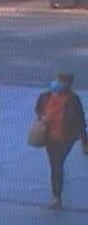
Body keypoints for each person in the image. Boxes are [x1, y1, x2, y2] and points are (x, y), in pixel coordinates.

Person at [35, 72, 87, 209]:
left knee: (57, 163)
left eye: (59, 81)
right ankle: (56, 194)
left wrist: (84, 141)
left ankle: (57, 195)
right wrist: (42, 117)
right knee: (54, 164)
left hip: (66, 137)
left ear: (67, 84)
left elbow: (80, 121)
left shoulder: (73, 100)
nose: (56, 83)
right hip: (49, 136)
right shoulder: (46, 96)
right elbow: (39, 108)